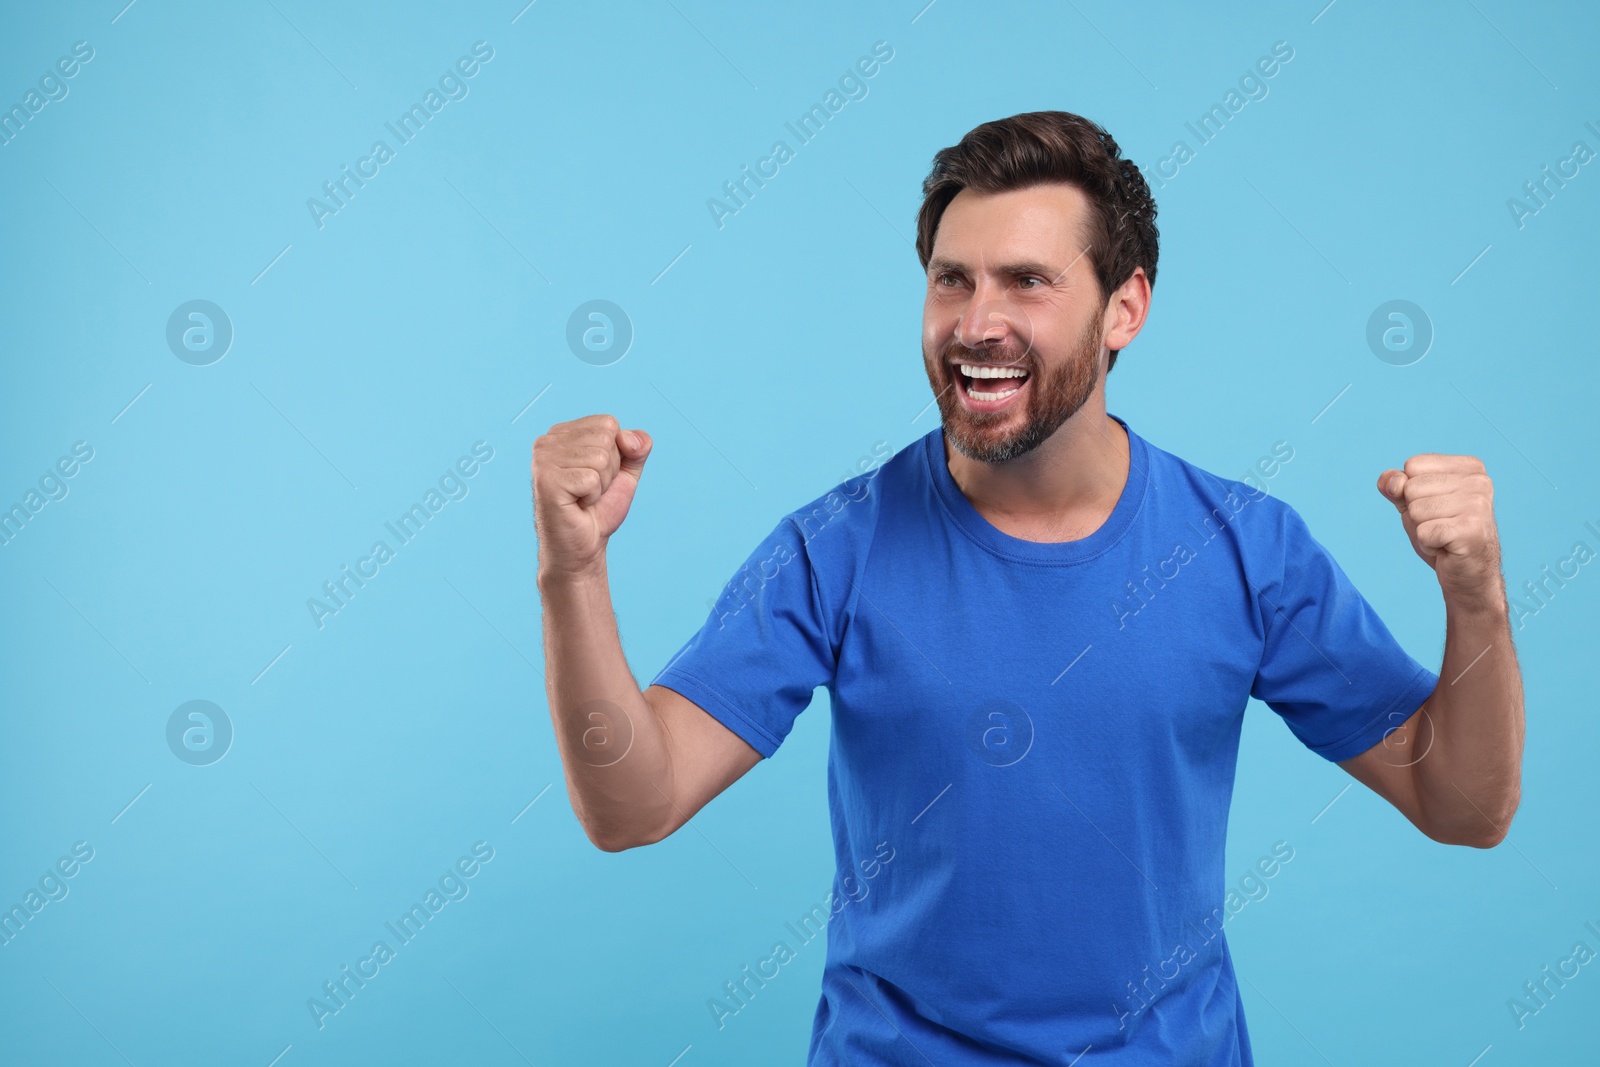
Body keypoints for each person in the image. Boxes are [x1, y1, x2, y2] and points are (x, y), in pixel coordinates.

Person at [531, 110, 1525, 1066]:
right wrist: (571, 570)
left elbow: (1460, 803)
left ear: (1124, 306)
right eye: (949, 280)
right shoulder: (833, 548)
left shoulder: (1245, 548)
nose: (975, 323)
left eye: (1026, 282)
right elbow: (635, 800)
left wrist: (1475, 595)